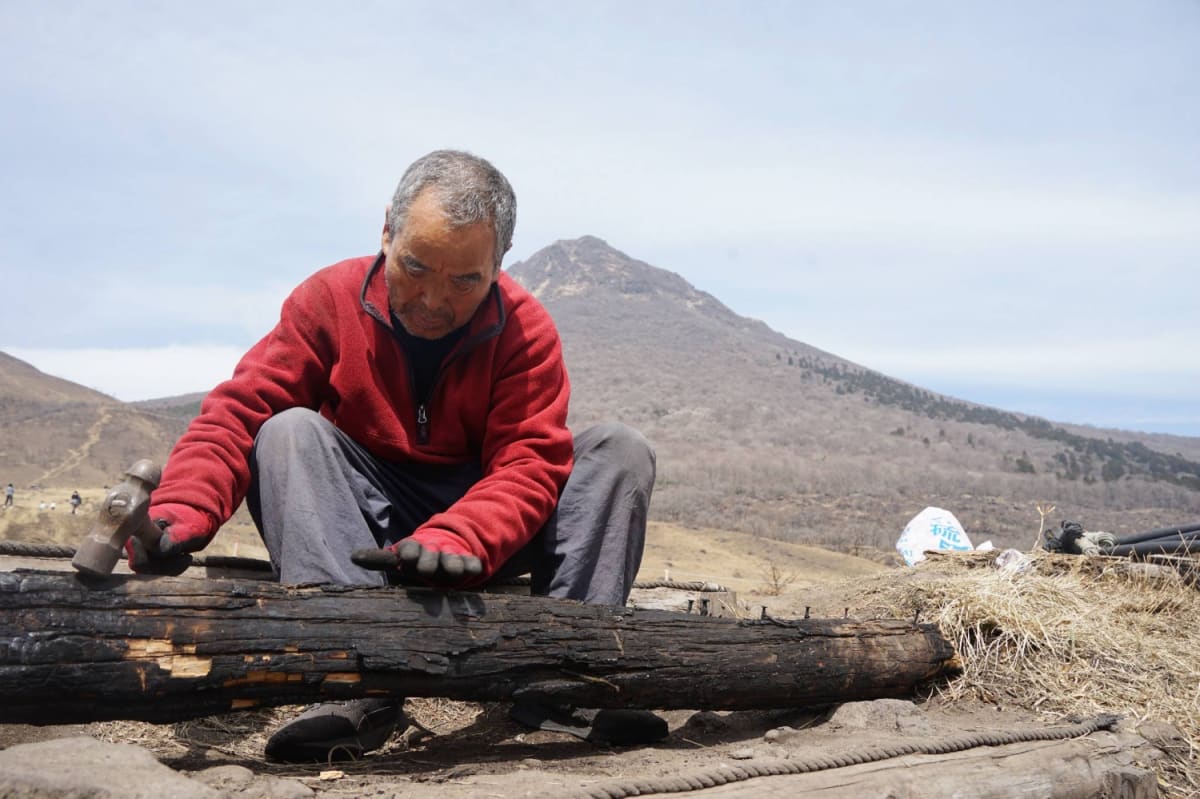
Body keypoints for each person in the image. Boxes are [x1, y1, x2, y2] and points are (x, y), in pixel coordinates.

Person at [134, 150, 659, 762]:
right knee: (287, 430)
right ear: (387, 231)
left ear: (499, 265)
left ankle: (569, 680)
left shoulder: (526, 330)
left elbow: (530, 463)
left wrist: (461, 535)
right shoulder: (326, 299)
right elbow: (238, 413)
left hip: (480, 533)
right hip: (358, 528)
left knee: (620, 450)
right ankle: (349, 681)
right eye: (415, 266)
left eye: (465, 280)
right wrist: (179, 511)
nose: (434, 300)